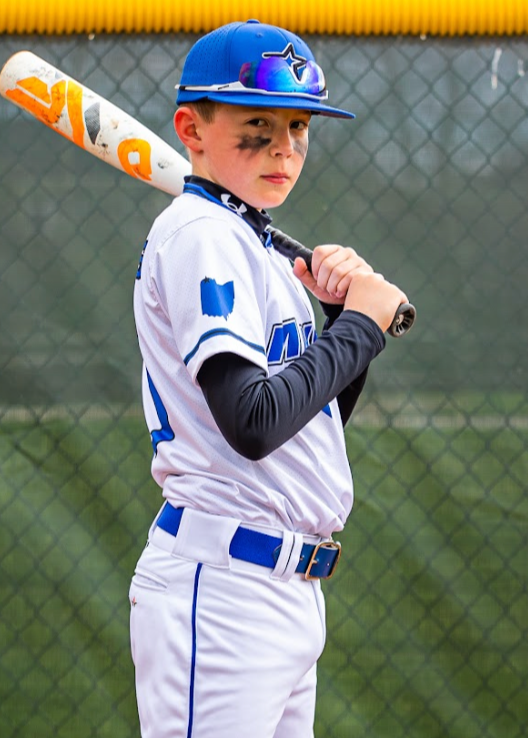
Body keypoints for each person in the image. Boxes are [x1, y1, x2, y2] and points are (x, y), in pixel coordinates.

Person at [129, 19, 407, 738]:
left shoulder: (246, 240)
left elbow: (302, 428)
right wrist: (361, 327)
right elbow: (252, 423)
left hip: (278, 590)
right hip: (224, 590)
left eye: (298, 128)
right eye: (257, 127)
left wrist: (338, 320)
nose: (284, 148)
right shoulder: (202, 235)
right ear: (191, 129)